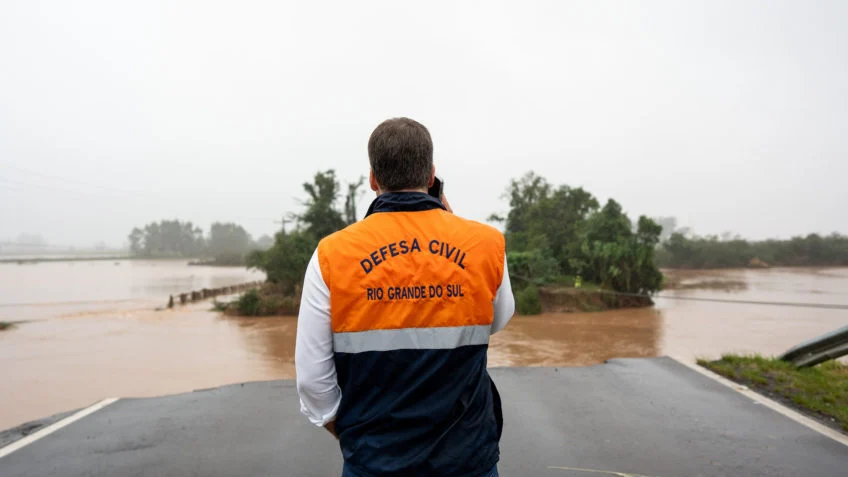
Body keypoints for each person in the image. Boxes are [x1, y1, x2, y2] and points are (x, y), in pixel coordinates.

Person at [295, 117, 515, 477]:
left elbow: (312, 383)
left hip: (374, 462)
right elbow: (496, 319)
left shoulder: (331, 255)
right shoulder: (485, 244)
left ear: (372, 179)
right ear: (431, 176)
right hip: (467, 461)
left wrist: (357, 436)